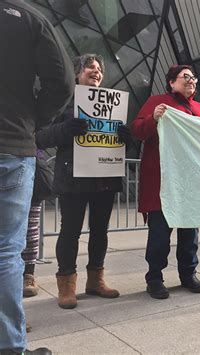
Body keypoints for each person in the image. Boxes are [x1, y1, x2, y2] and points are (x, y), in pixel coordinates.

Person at [0, 1, 74, 353]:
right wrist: (32, 122)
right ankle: (10, 347)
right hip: (9, 143)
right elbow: (60, 81)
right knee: (3, 253)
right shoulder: (27, 16)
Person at [36, 54, 131, 309]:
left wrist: (125, 136)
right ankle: (67, 285)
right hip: (74, 179)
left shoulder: (113, 106)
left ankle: (95, 280)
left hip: (104, 179)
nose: (96, 71)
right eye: (91, 67)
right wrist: (65, 129)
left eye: (99, 69)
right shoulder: (64, 102)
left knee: (101, 231)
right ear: (77, 73)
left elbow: (119, 144)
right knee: (70, 232)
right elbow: (41, 137)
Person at [131, 65, 200, 300]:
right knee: (159, 236)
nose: (191, 81)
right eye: (185, 77)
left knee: (189, 236)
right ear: (172, 82)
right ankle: (154, 278)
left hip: (190, 184)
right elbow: (137, 130)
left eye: (193, 77)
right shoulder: (158, 103)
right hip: (163, 183)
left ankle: (188, 273)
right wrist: (153, 119)